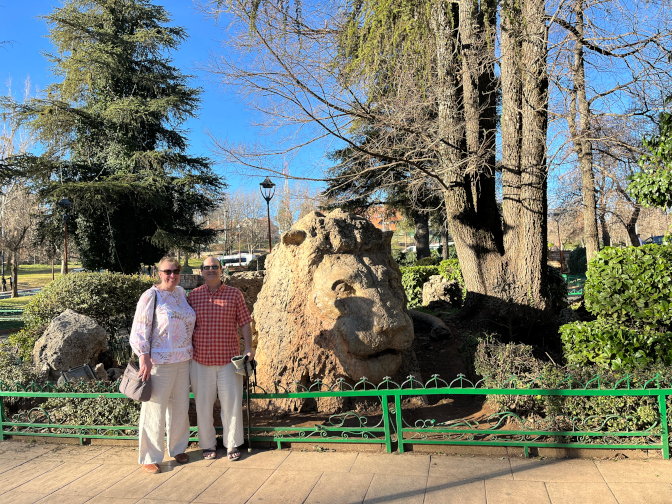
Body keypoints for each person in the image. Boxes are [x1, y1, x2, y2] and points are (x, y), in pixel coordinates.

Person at [129, 255, 196, 474]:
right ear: (159, 273)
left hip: (183, 360)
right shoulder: (151, 295)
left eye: (175, 271)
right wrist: (143, 356)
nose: (172, 276)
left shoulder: (181, 294)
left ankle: (177, 448)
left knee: (179, 408)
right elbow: (140, 328)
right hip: (158, 362)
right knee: (154, 410)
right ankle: (150, 456)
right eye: (167, 272)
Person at [188, 255, 253, 461]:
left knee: (232, 404)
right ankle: (208, 444)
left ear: (221, 269)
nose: (211, 270)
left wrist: (249, 347)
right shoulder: (193, 296)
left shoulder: (235, 295)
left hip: (228, 360)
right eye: (207, 267)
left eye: (214, 267)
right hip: (200, 360)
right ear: (201, 271)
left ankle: (232, 444)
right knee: (203, 406)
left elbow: (244, 322)